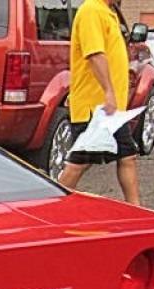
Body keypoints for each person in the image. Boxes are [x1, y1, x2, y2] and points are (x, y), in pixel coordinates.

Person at [57, 0, 141, 206]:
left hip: (112, 111)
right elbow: (94, 54)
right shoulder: (91, 10)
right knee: (80, 162)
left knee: (127, 156)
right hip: (95, 108)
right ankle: (52, 207)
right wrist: (109, 93)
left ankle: (136, 211)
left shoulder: (108, 12)